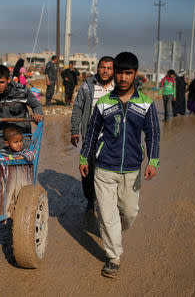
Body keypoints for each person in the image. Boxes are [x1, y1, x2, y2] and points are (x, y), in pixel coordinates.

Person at [79, 52, 160, 278]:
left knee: (129, 212)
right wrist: (84, 158)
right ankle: (114, 256)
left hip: (132, 170)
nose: (123, 77)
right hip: (105, 168)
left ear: (135, 74)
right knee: (107, 214)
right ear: (114, 73)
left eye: (128, 73)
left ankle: (113, 231)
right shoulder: (104, 104)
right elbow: (93, 133)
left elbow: (153, 134)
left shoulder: (146, 104)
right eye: (120, 72)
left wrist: (153, 160)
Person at [70, 56, 115, 212]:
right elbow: (77, 108)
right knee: (88, 170)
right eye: (103, 67)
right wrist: (75, 131)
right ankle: (90, 200)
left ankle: (107, 202)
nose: (105, 71)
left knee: (109, 171)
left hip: (112, 138)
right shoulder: (87, 85)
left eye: (109, 68)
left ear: (113, 70)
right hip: (90, 136)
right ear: (98, 68)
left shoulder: (119, 87)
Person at [0, 64, 43, 148]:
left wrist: (37, 114)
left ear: (8, 80)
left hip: (22, 133)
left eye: (2, 82)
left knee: (24, 157)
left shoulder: (22, 91)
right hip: (2, 133)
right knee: (5, 158)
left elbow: (36, 105)